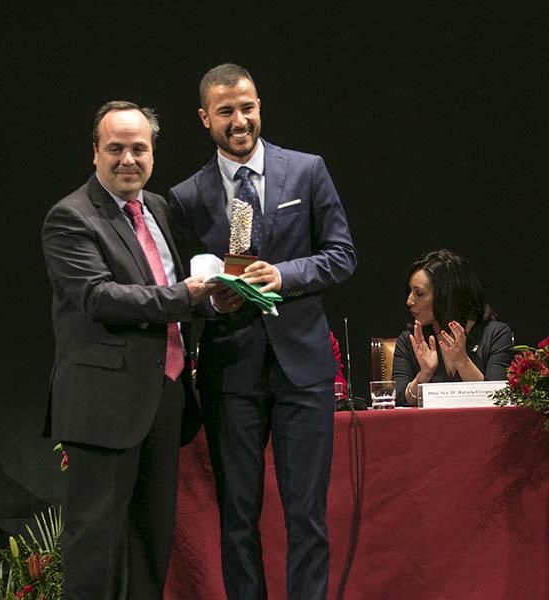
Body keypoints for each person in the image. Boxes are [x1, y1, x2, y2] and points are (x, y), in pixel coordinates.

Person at [167, 63, 356, 600]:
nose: (240, 120)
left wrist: (285, 275)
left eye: (247, 107)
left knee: (307, 518)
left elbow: (342, 256)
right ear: (206, 118)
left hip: (303, 369)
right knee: (237, 520)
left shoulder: (307, 171)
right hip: (230, 371)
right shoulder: (185, 197)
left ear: (259, 106)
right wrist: (213, 300)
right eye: (226, 111)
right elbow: (182, 293)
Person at [41, 101, 211, 599]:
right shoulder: (69, 217)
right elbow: (97, 297)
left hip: (164, 396)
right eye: (115, 148)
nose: (128, 159)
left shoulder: (156, 208)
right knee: (96, 545)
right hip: (102, 404)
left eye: (139, 148)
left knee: (149, 543)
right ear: (95, 152)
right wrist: (186, 296)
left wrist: (216, 298)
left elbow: (167, 286)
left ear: (153, 151)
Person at [393, 249, 514, 407]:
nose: (409, 301)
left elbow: (499, 399)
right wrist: (424, 375)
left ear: (447, 295)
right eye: (410, 292)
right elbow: (399, 400)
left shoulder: (495, 334)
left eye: (419, 294)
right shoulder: (410, 340)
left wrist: (462, 361)